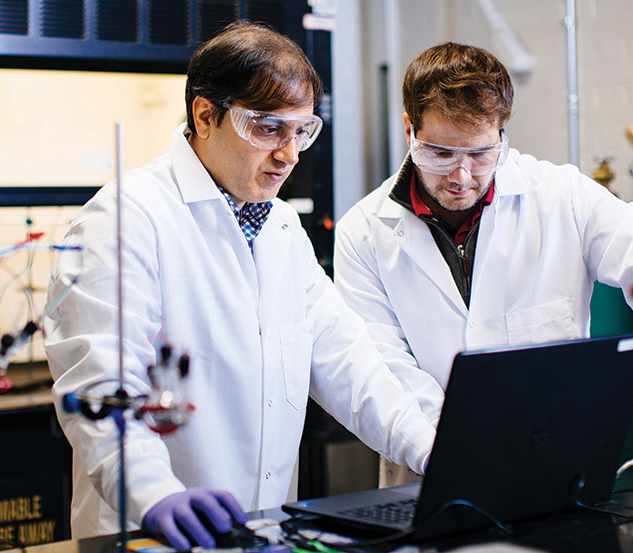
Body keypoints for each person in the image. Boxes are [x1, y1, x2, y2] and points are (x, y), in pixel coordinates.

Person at [43, 21, 436, 548]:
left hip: (261, 533)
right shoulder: (125, 218)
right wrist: (155, 493)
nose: (290, 154)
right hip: (154, 533)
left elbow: (349, 364)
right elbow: (100, 384)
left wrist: (437, 451)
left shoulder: (279, 227)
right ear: (206, 115)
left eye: (301, 131)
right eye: (269, 128)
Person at [333, 42, 633, 486]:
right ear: (410, 128)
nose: (461, 177)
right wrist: (449, 454)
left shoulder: (562, 196)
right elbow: (383, 372)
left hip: (557, 467)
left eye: (481, 154)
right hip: (426, 471)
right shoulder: (364, 233)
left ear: (503, 132)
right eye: (441, 153)